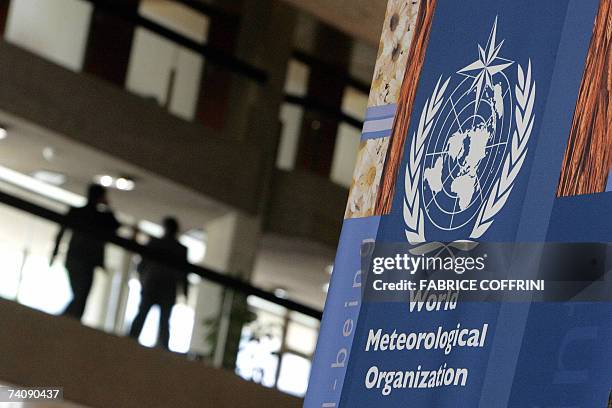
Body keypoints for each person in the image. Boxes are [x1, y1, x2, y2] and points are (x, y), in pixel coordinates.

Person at [50, 183, 120, 319]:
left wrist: (54, 253)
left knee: (80, 296)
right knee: (81, 296)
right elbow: (114, 225)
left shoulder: (79, 212)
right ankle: (67, 319)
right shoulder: (99, 217)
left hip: (76, 259)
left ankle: (67, 319)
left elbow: (61, 232)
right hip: (84, 260)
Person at [129, 216, 188, 350]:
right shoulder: (179, 249)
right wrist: (185, 292)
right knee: (161, 319)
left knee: (146, 315)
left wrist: (142, 279)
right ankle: (162, 347)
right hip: (162, 287)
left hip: (154, 285)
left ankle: (132, 339)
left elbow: (142, 264)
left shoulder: (156, 243)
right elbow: (183, 274)